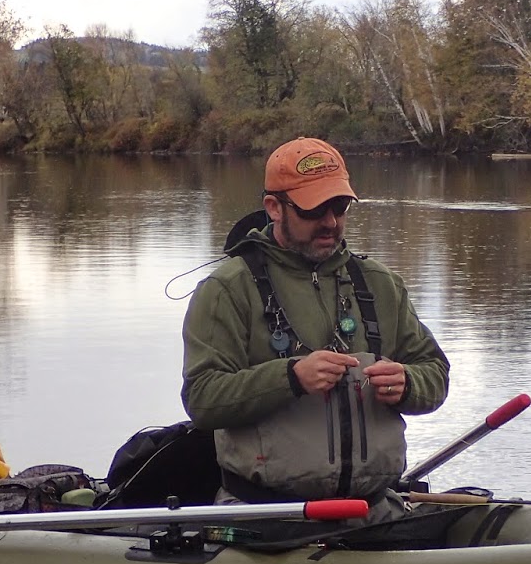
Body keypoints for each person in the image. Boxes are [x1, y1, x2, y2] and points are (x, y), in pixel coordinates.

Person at [181, 137, 449, 519]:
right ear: (274, 207)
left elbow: (435, 373)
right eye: (314, 210)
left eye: (339, 207)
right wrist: (291, 377)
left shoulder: (381, 284)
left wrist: (408, 383)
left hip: (373, 513)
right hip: (264, 516)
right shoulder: (227, 289)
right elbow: (203, 400)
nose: (330, 222)